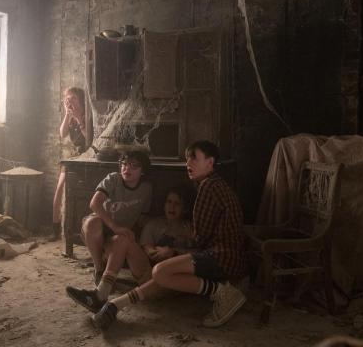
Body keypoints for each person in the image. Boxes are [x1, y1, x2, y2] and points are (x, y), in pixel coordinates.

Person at [90, 140, 248, 329]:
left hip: (222, 257)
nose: (188, 163)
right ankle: (111, 301)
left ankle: (223, 292)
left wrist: (173, 251)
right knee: (156, 269)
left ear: (210, 162)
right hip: (220, 254)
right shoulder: (213, 184)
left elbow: (200, 240)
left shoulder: (209, 187)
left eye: (194, 158)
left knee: (161, 272)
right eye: (187, 159)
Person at [65, 185, 194, 313]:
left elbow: (199, 256)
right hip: (150, 276)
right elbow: (148, 249)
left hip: (175, 280)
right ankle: (101, 294)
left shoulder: (190, 229)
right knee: (122, 240)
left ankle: (104, 298)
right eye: (169, 202)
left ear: (184, 208)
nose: (171, 207)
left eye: (177, 204)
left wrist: (174, 251)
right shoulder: (155, 224)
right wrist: (156, 252)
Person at [67, 150, 153, 309]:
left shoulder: (146, 189)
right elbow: (94, 204)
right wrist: (115, 226)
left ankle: (100, 294)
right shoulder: (113, 178)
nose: (127, 168)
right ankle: (99, 269)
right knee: (93, 223)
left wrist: (139, 243)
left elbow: (143, 217)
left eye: (134, 166)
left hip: (118, 237)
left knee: (122, 239)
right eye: (124, 164)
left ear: (143, 171)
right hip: (100, 228)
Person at [50, 87, 87, 241]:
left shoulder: (88, 115)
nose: (70, 102)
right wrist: (67, 115)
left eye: (73, 98)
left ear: (81, 100)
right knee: (59, 189)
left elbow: (89, 138)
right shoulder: (70, 116)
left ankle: (79, 231)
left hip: (89, 157)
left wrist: (79, 119)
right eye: (67, 99)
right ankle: (55, 229)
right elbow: (63, 134)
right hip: (74, 157)